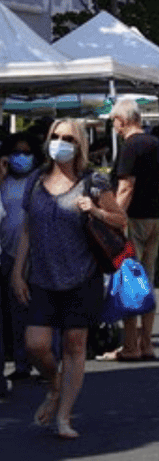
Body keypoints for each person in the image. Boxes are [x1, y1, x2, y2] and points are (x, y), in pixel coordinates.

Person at [12, 119, 128, 438]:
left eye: (68, 138)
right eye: (56, 137)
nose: (60, 142)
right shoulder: (36, 181)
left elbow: (121, 220)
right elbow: (26, 230)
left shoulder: (93, 182)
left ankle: (64, 416)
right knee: (35, 345)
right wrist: (17, 272)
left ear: (80, 146)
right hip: (42, 277)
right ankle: (55, 385)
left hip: (82, 276)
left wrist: (95, 210)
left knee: (74, 346)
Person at [99, 98, 159, 363]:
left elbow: (126, 187)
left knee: (129, 281)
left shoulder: (130, 146)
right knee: (147, 281)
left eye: (114, 120)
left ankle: (130, 346)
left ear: (123, 120)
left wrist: (115, 217)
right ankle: (146, 342)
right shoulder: (155, 143)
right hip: (156, 217)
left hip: (134, 218)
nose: (114, 126)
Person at [1, 133, 45, 387]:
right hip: (7, 253)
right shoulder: (4, 181)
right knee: (15, 313)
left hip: (36, 254)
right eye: (16, 152)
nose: (21, 157)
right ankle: (21, 363)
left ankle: (45, 361)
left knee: (39, 311)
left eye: (26, 152)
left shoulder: (38, 180)